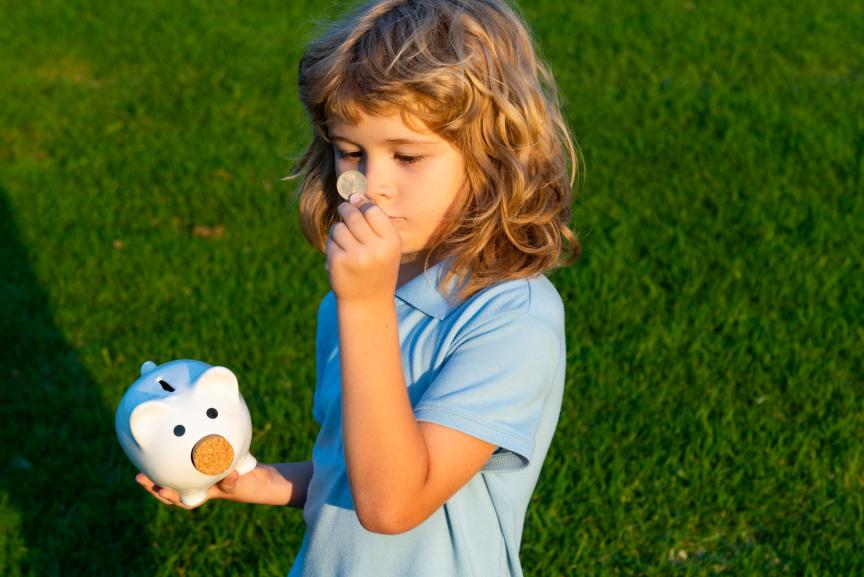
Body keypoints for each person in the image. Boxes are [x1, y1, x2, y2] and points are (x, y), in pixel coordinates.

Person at [136, 0, 581, 575]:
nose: (371, 186)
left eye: (407, 156)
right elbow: (355, 464)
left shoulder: (512, 319)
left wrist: (364, 305)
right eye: (352, 151)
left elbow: (393, 503)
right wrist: (264, 482)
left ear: (491, 155)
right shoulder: (361, 299)